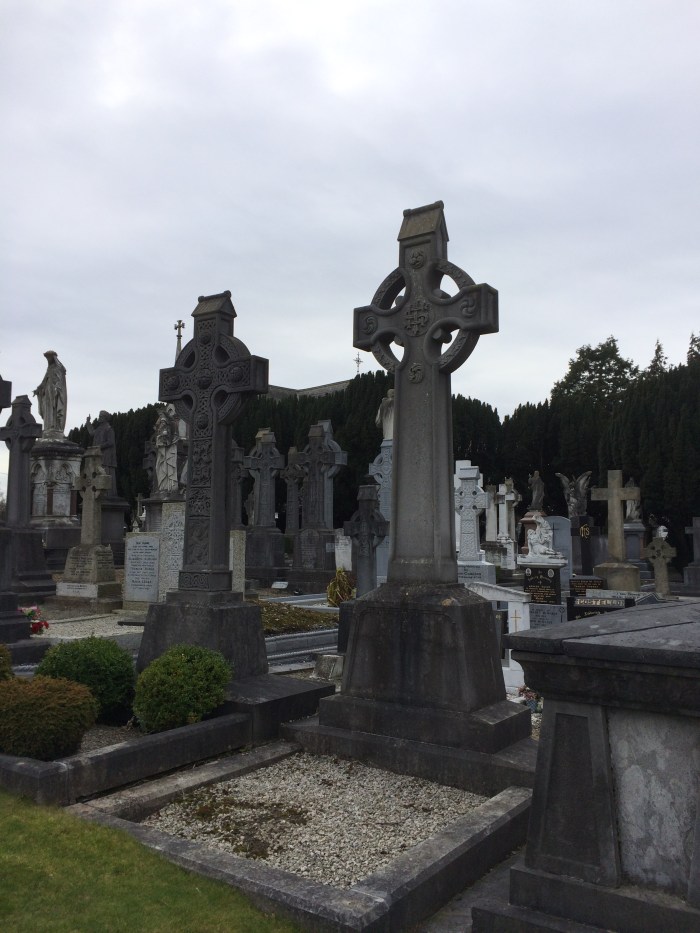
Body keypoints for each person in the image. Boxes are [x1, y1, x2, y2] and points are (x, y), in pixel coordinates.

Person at [34, 350, 67, 435]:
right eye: (47, 358)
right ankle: (48, 427)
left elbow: (60, 380)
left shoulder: (59, 367)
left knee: (55, 408)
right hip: (48, 392)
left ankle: (55, 427)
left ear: (54, 357)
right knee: (47, 409)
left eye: (49, 357)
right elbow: (44, 381)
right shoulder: (49, 368)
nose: (48, 359)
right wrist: (38, 389)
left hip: (56, 392)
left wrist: (57, 388)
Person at [88, 410, 117, 494]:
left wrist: (99, 446)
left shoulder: (109, 429)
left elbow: (111, 442)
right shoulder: (99, 429)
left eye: (101, 416)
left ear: (105, 418)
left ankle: (107, 494)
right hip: (98, 456)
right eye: (99, 416)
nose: (99, 418)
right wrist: (88, 422)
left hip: (106, 457)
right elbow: (91, 433)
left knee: (105, 473)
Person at [154, 409, 179, 493]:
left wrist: (166, 442)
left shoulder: (170, 429)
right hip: (162, 453)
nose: (161, 424)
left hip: (169, 453)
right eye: (161, 422)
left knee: (169, 468)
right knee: (159, 467)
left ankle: (170, 487)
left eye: (163, 422)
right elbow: (159, 442)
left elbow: (172, 440)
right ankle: (163, 486)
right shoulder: (160, 431)